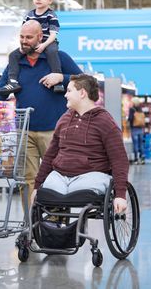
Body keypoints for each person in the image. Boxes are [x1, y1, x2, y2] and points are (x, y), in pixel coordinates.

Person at [0, 20, 82, 206]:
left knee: (56, 178)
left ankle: (55, 226)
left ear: (41, 37)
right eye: (21, 37)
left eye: (29, 37)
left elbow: (86, 81)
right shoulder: (16, 62)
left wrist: (62, 78)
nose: (24, 41)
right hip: (25, 131)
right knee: (28, 180)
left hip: (55, 130)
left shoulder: (57, 57)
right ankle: (32, 227)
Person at [32, 74, 129, 214]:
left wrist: (120, 195)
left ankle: (72, 231)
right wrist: (37, 186)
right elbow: (49, 156)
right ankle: (56, 233)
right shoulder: (64, 119)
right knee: (45, 194)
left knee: (74, 194)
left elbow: (119, 159)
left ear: (82, 93)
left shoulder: (105, 122)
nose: (65, 95)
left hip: (92, 175)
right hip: (60, 175)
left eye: (69, 91)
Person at [0, 0, 64, 96]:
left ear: (50, 0)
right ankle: (13, 81)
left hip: (49, 42)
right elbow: (24, 30)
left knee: (52, 52)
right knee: (13, 55)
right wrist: (23, 45)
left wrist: (44, 45)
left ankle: (57, 78)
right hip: (33, 45)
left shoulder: (51, 15)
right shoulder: (29, 15)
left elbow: (53, 34)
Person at [128, 97, 145, 164]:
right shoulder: (140, 109)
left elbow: (130, 118)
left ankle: (136, 159)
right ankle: (142, 158)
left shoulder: (132, 109)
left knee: (135, 144)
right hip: (140, 128)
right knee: (141, 144)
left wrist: (128, 120)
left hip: (134, 128)